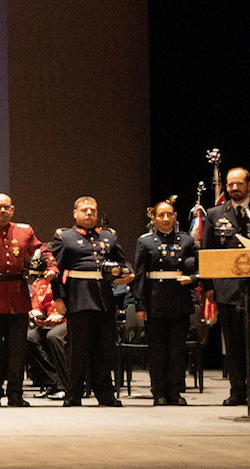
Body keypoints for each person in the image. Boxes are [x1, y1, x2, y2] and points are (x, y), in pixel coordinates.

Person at [0, 194, 56, 406]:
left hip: (17, 297)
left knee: (18, 350)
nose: (2, 211)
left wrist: (51, 267)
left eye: (6, 207)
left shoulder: (25, 231)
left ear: (13, 209)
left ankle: (16, 394)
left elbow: (41, 252)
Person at [49, 196, 133, 407]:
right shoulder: (64, 237)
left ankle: (105, 394)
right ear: (75, 213)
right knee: (78, 352)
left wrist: (128, 273)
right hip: (78, 299)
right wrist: (58, 297)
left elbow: (123, 262)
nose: (89, 214)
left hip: (105, 300)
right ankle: (73, 394)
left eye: (93, 211)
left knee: (105, 350)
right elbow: (55, 270)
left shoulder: (109, 236)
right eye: (84, 210)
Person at [134, 200, 198, 405]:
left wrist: (193, 280)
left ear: (175, 216)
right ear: (154, 218)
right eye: (160, 215)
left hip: (179, 299)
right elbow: (141, 275)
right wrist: (140, 305)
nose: (165, 218)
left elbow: (201, 267)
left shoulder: (187, 241)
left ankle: (175, 392)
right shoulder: (146, 242)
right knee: (157, 351)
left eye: (169, 214)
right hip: (155, 301)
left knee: (177, 350)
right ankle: (159, 392)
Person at [201, 166, 249, 406]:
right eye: (230, 184)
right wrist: (208, 285)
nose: (234, 188)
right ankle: (238, 390)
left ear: (248, 185)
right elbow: (207, 250)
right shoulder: (215, 213)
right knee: (233, 342)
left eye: (239, 184)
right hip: (228, 288)